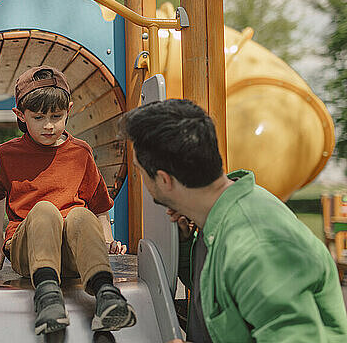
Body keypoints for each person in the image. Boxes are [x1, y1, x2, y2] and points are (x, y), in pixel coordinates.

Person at [120, 98, 347, 342]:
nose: (140, 179)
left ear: (164, 180)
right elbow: (226, 295)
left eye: (139, 171)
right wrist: (185, 247)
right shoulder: (216, 220)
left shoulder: (258, 246)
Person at [0, 65, 136, 335]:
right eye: (38, 118)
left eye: (57, 116)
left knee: (80, 215)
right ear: (21, 115)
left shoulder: (80, 152)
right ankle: (48, 298)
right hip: (29, 249)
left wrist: (105, 241)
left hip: (71, 256)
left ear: (68, 110)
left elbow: (97, 205)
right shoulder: (8, 154)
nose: (49, 125)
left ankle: (107, 295)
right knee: (46, 210)